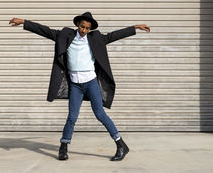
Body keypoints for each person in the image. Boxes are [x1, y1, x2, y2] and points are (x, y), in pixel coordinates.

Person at [9, 12, 150, 161]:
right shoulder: (65, 35)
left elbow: (114, 35)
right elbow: (45, 30)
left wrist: (135, 27)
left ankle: (121, 144)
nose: (84, 31)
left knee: (100, 114)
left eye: (87, 28)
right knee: (72, 117)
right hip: (75, 85)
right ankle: (63, 147)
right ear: (78, 25)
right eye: (82, 27)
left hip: (91, 83)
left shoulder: (95, 38)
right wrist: (24, 22)